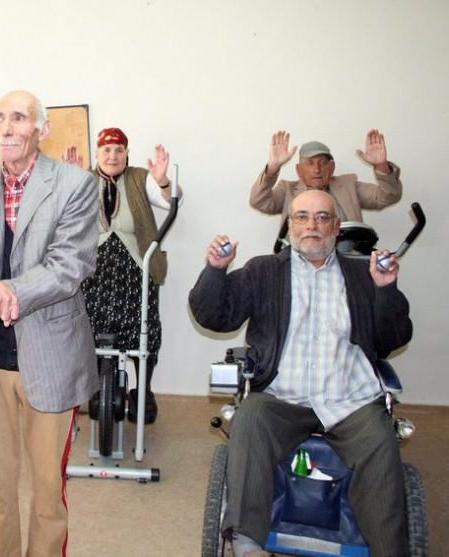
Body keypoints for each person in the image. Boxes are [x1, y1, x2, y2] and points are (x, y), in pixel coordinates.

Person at [189, 190, 412, 557]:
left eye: (323, 217)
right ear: (289, 225)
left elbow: (393, 339)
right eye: (302, 217)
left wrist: (386, 291)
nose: (312, 225)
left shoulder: (362, 274)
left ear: (336, 228)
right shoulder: (264, 271)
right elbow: (214, 315)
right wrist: (216, 269)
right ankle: (247, 544)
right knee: (250, 419)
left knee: (380, 441)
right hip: (281, 396)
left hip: (349, 398)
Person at [0, 90, 99, 557]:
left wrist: (1, 291)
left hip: (51, 357)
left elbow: (69, 266)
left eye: (20, 118)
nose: (6, 128)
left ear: (42, 129)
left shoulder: (75, 185)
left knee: (48, 496)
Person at [64, 129, 182, 424]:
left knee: (144, 328)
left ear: (127, 154)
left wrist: (163, 181)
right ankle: (96, 386)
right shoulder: (84, 179)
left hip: (137, 267)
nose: (113, 156)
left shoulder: (140, 177)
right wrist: (70, 180)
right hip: (94, 271)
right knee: (92, 327)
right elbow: (62, 212)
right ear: (97, 154)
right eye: (107, 150)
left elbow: (172, 201)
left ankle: (144, 391)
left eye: (119, 150)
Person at [249, 129, 402, 223]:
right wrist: (272, 168)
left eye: (322, 163)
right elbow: (259, 201)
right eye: (310, 163)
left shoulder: (348, 185)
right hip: (299, 259)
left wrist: (381, 166)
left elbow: (388, 197)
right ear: (298, 170)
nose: (317, 170)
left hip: (345, 257)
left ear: (332, 167)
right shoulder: (287, 190)